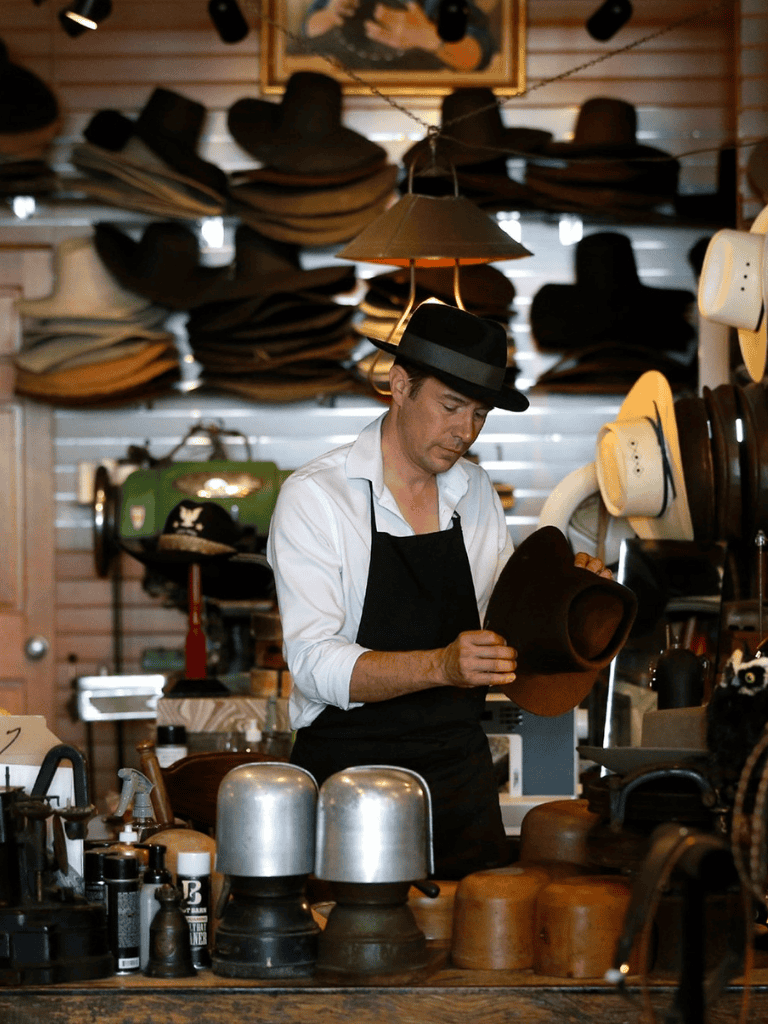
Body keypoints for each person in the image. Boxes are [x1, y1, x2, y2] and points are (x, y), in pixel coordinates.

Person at [267, 302, 611, 879]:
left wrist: (569, 598)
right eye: (450, 406)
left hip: (458, 779)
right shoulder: (317, 498)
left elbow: (506, 620)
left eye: (479, 414)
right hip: (353, 785)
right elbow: (313, 664)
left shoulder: (472, 490)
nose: (465, 432)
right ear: (400, 387)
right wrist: (442, 666)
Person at [301, 0, 496, 73]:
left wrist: (429, 38)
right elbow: (309, 29)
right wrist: (332, 12)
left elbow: (476, 53)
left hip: (419, 98)